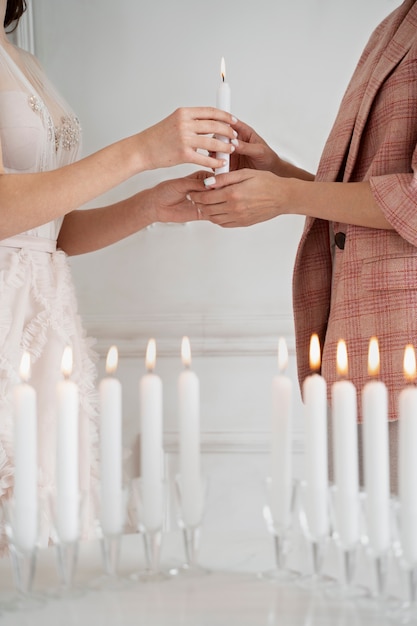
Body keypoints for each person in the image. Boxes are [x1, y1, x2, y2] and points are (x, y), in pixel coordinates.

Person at [0, 0, 236, 553]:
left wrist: (148, 206)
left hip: (42, 320)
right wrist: (139, 151)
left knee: (49, 532)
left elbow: (44, 231)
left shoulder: (22, 61)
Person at [188, 0, 417, 492]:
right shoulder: (394, 26)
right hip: (359, 350)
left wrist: (287, 196)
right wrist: (279, 172)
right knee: (359, 547)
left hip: (404, 349)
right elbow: (376, 204)